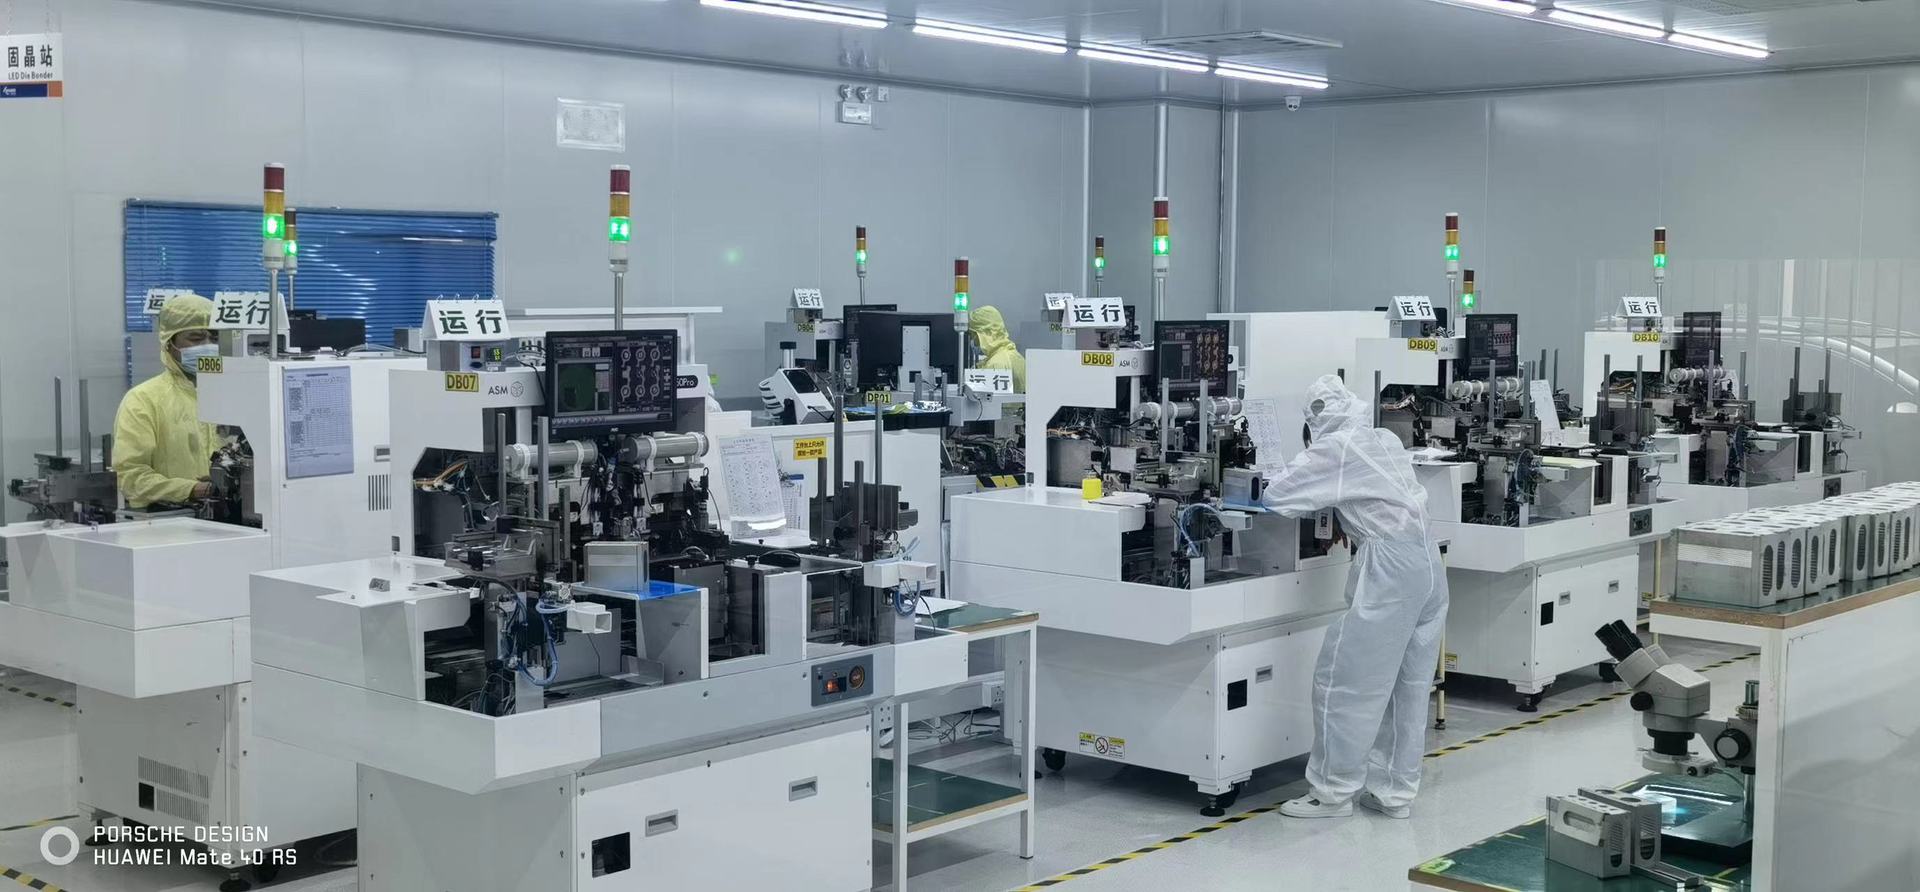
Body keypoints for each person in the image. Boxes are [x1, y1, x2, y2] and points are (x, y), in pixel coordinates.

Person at [1259, 374, 1448, 820]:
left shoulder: (1336, 447)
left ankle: (1331, 793)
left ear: (1316, 420)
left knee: (1346, 681)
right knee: (1407, 686)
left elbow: (1276, 496)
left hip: (1389, 568)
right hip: (1428, 564)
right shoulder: (1383, 438)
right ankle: (1394, 794)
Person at [114, 293, 221, 509]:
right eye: (196, 339)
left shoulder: (233, 396)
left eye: (214, 337)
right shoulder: (143, 400)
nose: (208, 346)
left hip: (231, 518)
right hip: (166, 520)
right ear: (169, 343)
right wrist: (191, 489)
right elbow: (132, 478)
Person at [968, 306, 1027, 392]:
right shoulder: (1015, 355)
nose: (972, 339)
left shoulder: (995, 364)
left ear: (984, 334)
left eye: (973, 334)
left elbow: (992, 400)